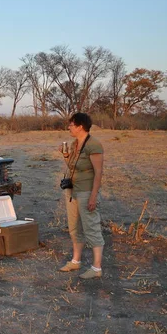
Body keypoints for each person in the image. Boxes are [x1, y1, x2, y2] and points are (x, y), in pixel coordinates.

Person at [58, 112, 105, 279]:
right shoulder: (74, 144)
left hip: (86, 191)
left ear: (80, 126)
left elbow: (98, 173)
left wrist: (93, 197)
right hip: (72, 190)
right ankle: (75, 261)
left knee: (91, 227)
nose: (69, 127)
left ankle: (96, 268)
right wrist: (65, 155)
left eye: (71, 125)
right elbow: (72, 167)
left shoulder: (94, 145)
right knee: (74, 227)